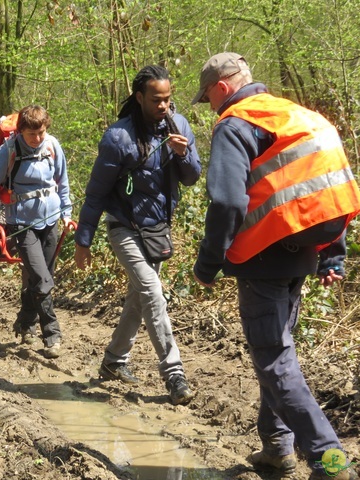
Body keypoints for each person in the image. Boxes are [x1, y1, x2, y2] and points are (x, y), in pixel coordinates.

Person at [191, 52, 360, 479]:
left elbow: (227, 201)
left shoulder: (235, 123)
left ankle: (331, 461)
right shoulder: (299, 116)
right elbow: (330, 187)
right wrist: (332, 252)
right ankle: (277, 447)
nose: (210, 105)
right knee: (278, 352)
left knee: (273, 360)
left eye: (208, 96)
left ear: (223, 87)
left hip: (262, 255)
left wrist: (208, 264)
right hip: (301, 253)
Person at [74, 65, 201, 406]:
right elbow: (96, 192)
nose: (164, 106)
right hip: (123, 228)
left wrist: (183, 153)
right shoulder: (118, 137)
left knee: (139, 297)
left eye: (168, 99)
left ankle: (114, 360)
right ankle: (174, 373)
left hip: (157, 229)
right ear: (140, 97)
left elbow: (191, 177)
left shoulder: (180, 126)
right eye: (157, 100)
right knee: (151, 290)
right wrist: (83, 240)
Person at [0, 105, 72, 359]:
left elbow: (62, 181)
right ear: (21, 131)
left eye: (41, 132)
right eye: (32, 134)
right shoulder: (8, 151)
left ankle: (24, 321)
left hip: (51, 219)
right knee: (43, 280)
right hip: (21, 223)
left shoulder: (53, 145)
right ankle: (52, 335)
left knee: (40, 280)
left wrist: (67, 213)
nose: (38, 138)